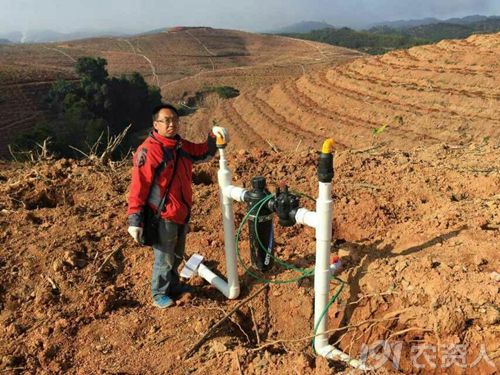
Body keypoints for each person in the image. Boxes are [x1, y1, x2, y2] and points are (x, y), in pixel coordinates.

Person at [127, 104, 228, 308]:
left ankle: (173, 286)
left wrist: (213, 138)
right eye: (166, 120)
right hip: (162, 215)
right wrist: (134, 219)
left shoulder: (179, 145)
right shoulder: (149, 151)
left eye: (174, 119)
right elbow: (139, 187)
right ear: (156, 125)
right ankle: (159, 293)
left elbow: (202, 153)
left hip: (181, 211)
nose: (171, 124)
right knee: (164, 257)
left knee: (177, 253)